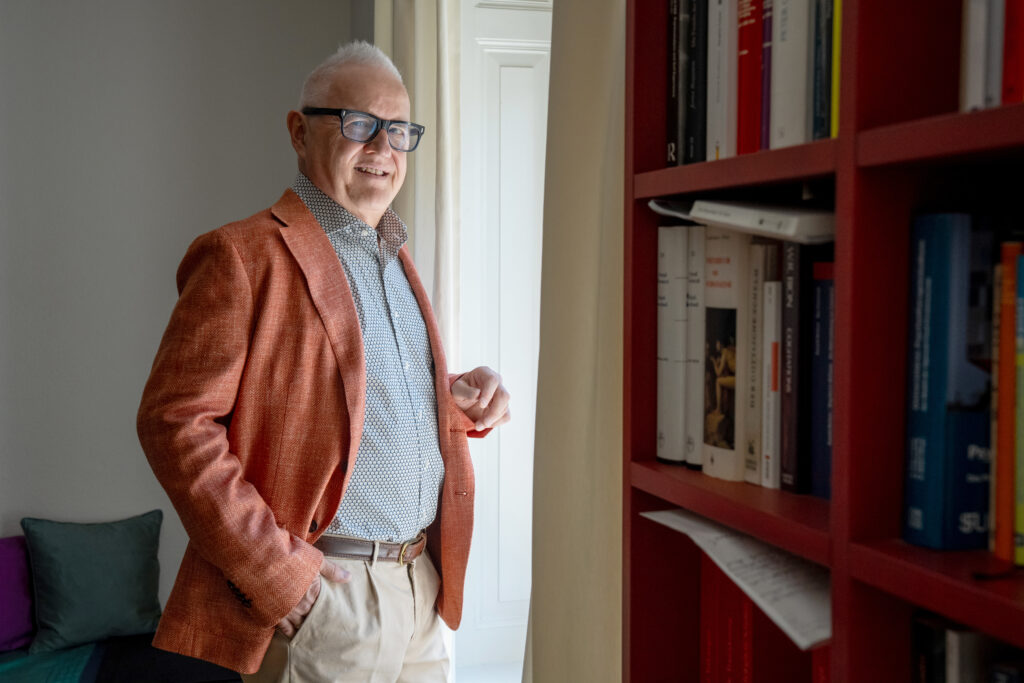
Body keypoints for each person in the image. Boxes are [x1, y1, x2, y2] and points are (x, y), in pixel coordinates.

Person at [136, 41, 510, 682]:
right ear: (299, 132)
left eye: (399, 130)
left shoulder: (395, 254)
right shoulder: (240, 256)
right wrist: (281, 578)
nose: (383, 147)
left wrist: (452, 394)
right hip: (328, 595)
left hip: (420, 588)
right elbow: (174, 423)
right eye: (359, 124)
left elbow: (346, 390)